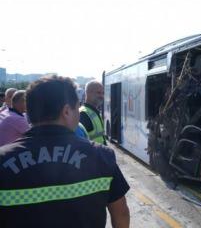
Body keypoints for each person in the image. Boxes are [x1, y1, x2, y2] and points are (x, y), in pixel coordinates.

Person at [0, 76, 130, 228]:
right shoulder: (103, 156)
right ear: (67, 111)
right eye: (77, 108)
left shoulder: (3, 159)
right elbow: (120, 213)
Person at [79, 80, 107, 145]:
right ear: (88, 93)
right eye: (98, 93)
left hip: (99, 153)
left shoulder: (94, 111)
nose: (101, 96)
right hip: (92, 154)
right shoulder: (83, 114)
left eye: (103, 93)